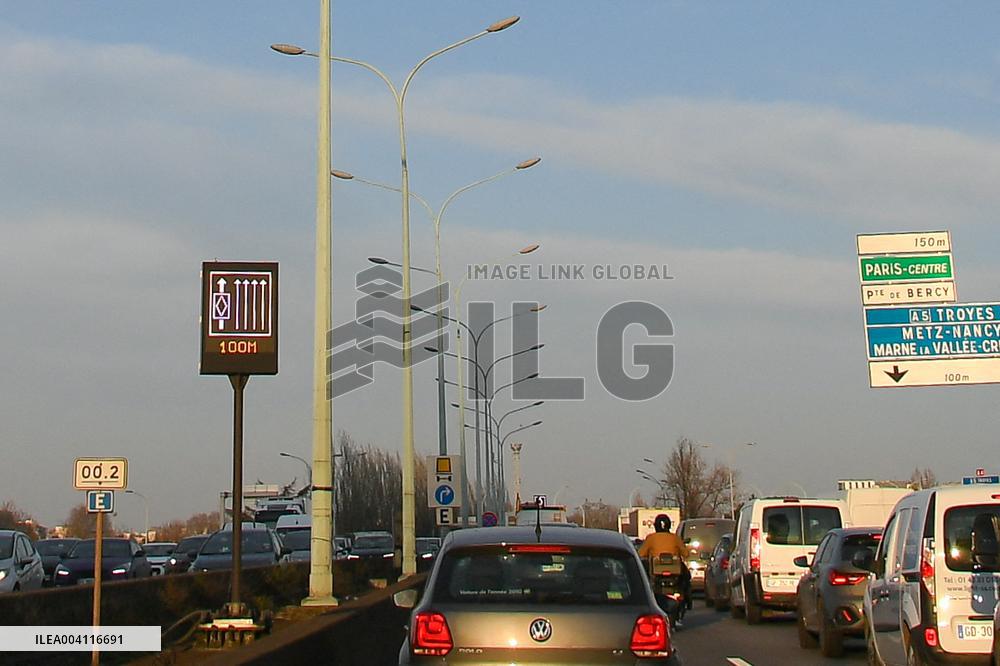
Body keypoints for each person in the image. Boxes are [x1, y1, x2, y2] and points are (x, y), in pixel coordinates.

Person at [638, 514, 692, 612]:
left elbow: (641, 554)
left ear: (656, 526)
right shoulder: (675, 538)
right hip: (676, 575)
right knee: (687, 577)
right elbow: (686, 554)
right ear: (669, 525)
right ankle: (688, 600)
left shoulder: (651, 538)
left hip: (655, 575)